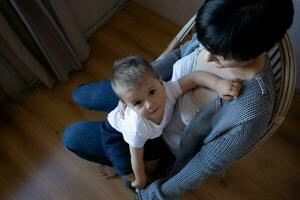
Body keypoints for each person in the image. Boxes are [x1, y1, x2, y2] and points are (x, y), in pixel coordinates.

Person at [62, 0, 294, 199]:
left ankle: (116, 164)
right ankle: (115, 151)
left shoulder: (251, 110)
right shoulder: (219, 29)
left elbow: (205, 163)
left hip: (160, 144)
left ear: (258, 49)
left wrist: (157, 193)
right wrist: (138, 92)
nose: (207, 55)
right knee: (80, 94)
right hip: (155, 90)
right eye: (204, 43)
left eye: (222, 56)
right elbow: (180, 55)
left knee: (73, 137)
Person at [107, 55, 241, 189]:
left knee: (154, 160)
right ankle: (111, 164)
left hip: (151, 134)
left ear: (160, 81)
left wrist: (218, 84)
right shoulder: (137, 126)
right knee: (126, 169)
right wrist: (140, 179)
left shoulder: (168, 90)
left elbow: (193, 78)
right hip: (115, 133)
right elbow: (135, 155)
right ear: (127, 106)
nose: (149, 104)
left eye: (152, 92)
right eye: (137, 103)